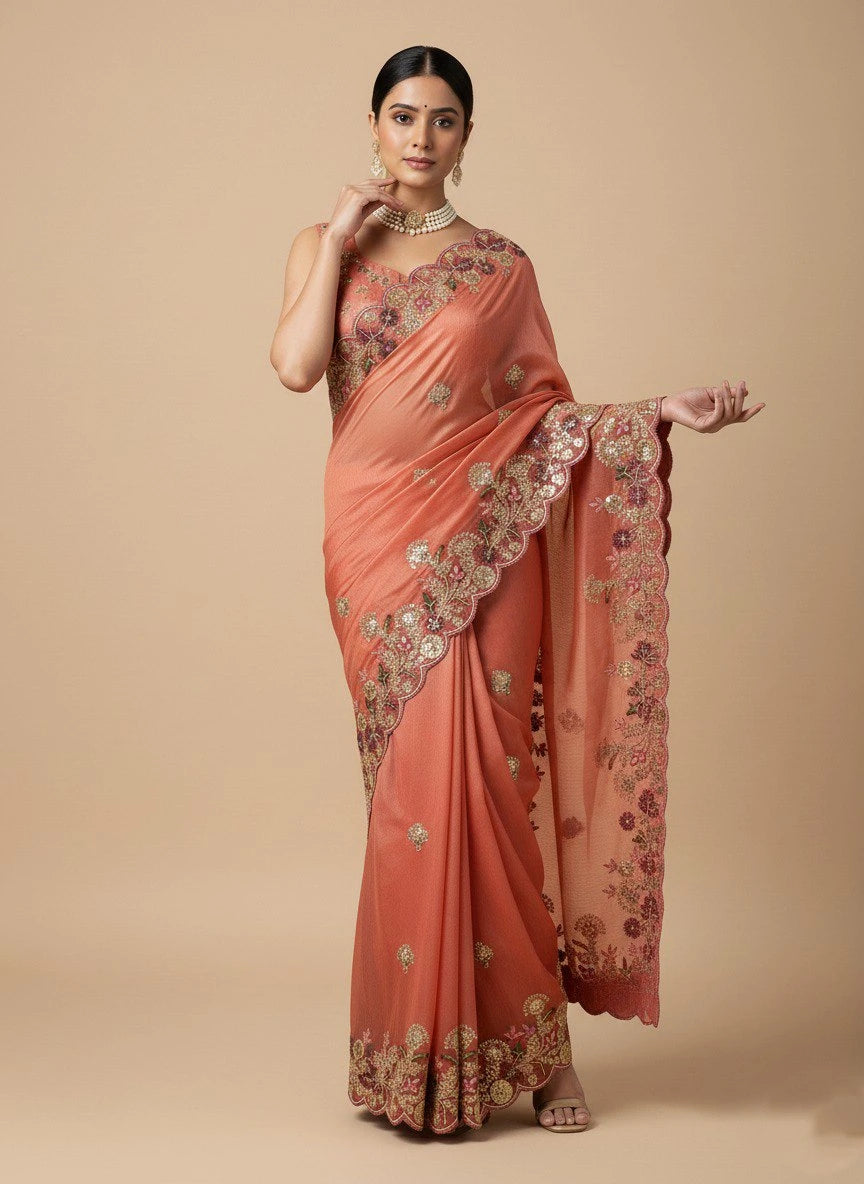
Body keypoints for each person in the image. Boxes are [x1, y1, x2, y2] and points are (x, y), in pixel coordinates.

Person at [269, 45, 764, 1137]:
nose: (421, 138)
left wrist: (654, 415)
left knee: (493, 785)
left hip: (483, 543)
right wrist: (342, 235)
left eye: (444, 121)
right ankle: (417, 1060)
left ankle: (545, 1054)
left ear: (466, 137)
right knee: (408, 801)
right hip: (373, 548)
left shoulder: (501, 266)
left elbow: (544, 421)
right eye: (403, 116)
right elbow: (299, 366)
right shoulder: (322, 244)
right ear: (371, 125)